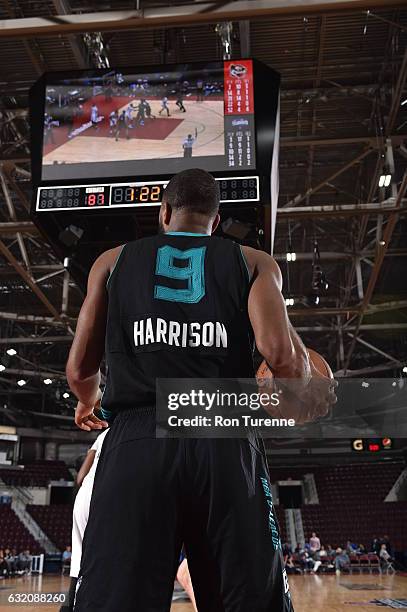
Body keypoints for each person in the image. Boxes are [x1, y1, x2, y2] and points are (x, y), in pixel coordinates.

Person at [66, 168, 336, 611]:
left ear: (164, 211)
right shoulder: (252, 261)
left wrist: (87, 400)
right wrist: (302, 389)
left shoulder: (111, 261)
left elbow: (80, 368)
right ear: (215, 222)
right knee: (247, 599)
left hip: (137, 437)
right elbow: (279, 354)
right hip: (222, 436)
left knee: (114, 600)